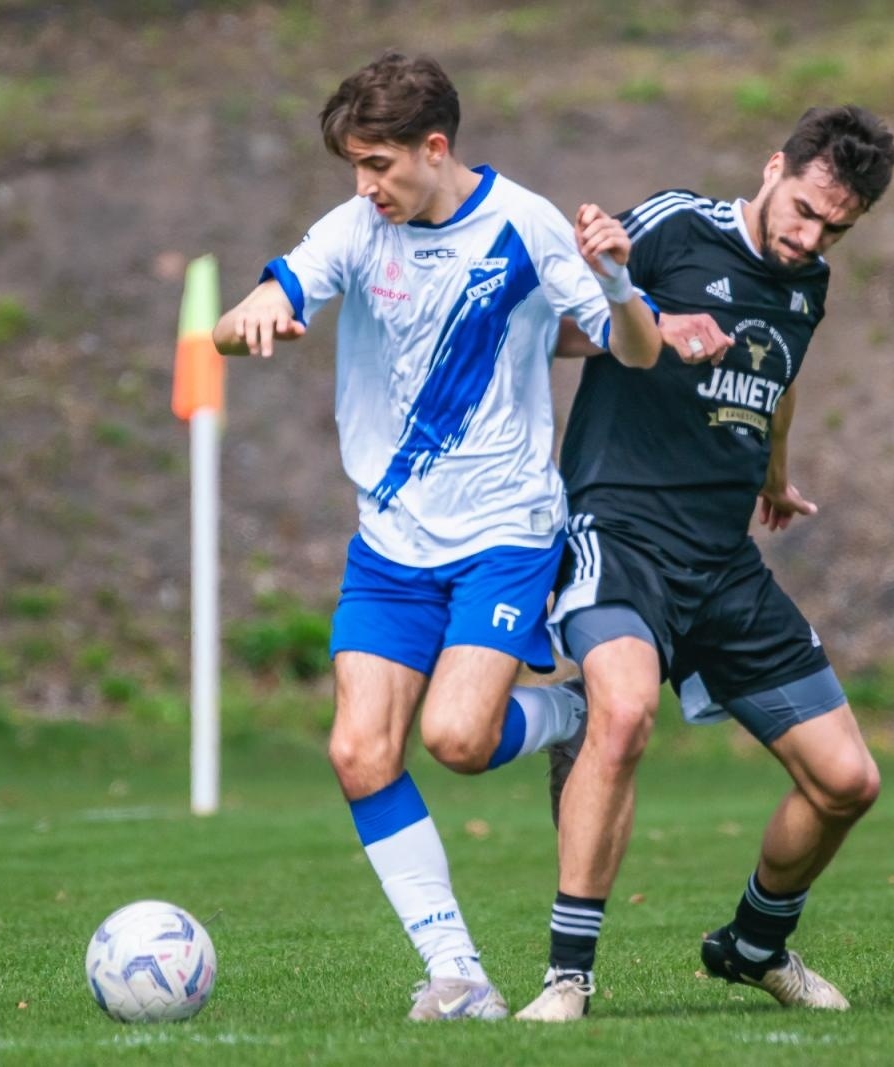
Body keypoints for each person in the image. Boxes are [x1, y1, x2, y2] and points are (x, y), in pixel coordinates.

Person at [212, 51, 661, 1020]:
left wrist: (620, 287)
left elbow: (638, 350)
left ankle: (570, 716)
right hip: (390, 541)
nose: (365, 186)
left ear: (434, 147)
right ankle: (456, 971)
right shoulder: (354, 228)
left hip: (504, 530)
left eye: (378, 165)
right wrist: (249, 311)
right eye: (354, 169)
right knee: (358, 751)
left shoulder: (526, 226)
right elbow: (272, 295)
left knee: (456, 737)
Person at [514, 105, 894, 1022]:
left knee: (849, 781)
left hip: (722, 555)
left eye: (834, 227)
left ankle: (753, 946)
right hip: (621, 528)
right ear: (775, 166)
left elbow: (785, 371)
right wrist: (630, 294)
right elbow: (556, 321)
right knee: (625, 710)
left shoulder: (810, 283)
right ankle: (567, 976)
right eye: (803, 209)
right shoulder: (673, 225)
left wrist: (774, 471)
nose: (809, 237)